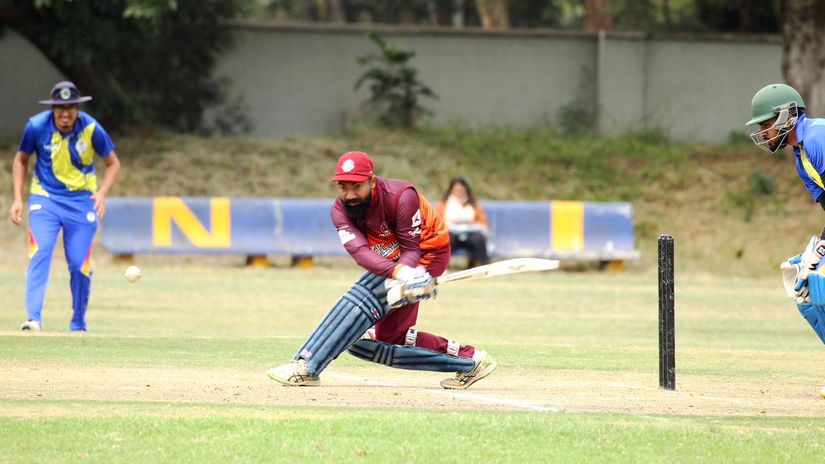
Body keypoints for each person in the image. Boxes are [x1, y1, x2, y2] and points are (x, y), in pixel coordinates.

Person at [267, 151, 497, 389]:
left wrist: (408, 273)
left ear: (372, 181)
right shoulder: (339, 210)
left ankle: (306, 366)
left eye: (356, 186)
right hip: (394, 261)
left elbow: (411, 249)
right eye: (343, 187)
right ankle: (470, 361)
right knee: (372, 340)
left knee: (362, 297)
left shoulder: (401, 196)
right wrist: (400, 274)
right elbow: (360, 252)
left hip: (427, 253)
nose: (349, 195)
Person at [8, 81, 121, 332]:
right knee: (40, 252)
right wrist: (18, 198)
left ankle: (78, 322)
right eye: (60, 109)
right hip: (45, 199)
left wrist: (102, 193)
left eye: (70, 108)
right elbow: (21, 160)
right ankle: (33, 318)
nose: (65, 114)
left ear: (77, 109)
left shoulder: (91, 129)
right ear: (53, 109)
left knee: (80, 264)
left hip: (82, 202)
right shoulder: (36, 126)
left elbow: (113, 163)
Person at [435, 177, 490, 269]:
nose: (459, 193)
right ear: (451, 190)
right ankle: (442, 267)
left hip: (470, 233)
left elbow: (484, 223)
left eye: (461, 190)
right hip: (451, 232)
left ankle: (484, 267)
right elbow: (435, 222)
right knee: (446, 239)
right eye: (456, 190)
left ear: (466, 190)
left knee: (479, 239)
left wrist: (473, 222)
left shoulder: (474, 204)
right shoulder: (443, 204)